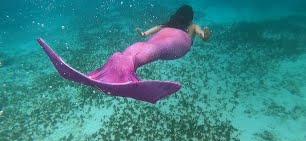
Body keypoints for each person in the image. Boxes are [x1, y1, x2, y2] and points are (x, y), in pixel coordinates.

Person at [37, 5, 211, 104]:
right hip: (175, 45)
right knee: (142, 47)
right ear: (189, 17)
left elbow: (201, 36)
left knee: (147, 47)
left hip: (174, 44)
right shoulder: (187, 25)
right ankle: (120, 67)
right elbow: (200, 36)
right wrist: (143, 34)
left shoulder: (186, 27)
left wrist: (205, 34)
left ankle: (120, 70)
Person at [136, 5, 211, 42]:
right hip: (181, 50)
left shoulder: (172, 24)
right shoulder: (194, 26)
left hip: (167, 46)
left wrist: (144, 34)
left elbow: (158, 27)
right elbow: (200, 32)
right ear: (190, 16)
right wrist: (204, 36)